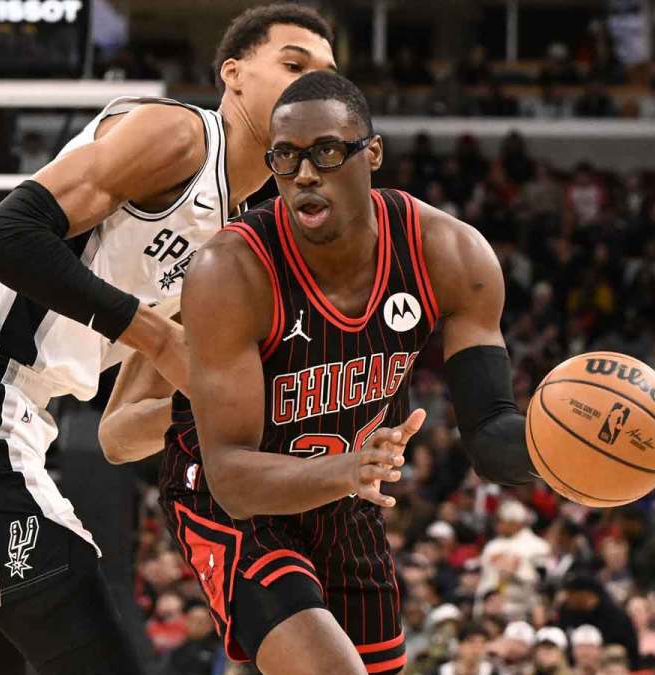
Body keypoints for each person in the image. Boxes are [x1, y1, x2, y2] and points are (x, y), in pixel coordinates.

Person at [0, 5, 336, 675]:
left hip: (16, 419)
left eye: (326, 75)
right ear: (233, 74)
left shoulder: (228, 243)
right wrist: (152, 333)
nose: (311, 85)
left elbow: (120, 435)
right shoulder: (179, 135)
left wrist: (218, 410)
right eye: (294, 65)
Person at [141, 71, 536, 674]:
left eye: (327, 152)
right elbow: (232, 477)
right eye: (286, 158)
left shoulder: (449, 253)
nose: (304, 175)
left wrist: (555, 453)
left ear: (371, 153)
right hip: (234, 499)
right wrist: (350, 468)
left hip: (348, 501)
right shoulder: (231, 270)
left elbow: (489, 432)